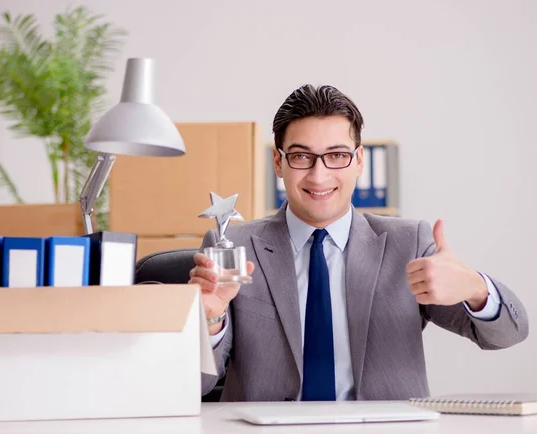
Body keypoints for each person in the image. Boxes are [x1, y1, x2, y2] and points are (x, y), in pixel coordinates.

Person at [189, 84, 528, 402]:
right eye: (301, 156)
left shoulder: (408, 244)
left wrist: (475, 289)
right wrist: (210, 318)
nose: (319, 175)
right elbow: (195, 383)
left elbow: (508, 334)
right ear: (278, 162)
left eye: (337, 155)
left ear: (360, 161)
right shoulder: (231, 245)